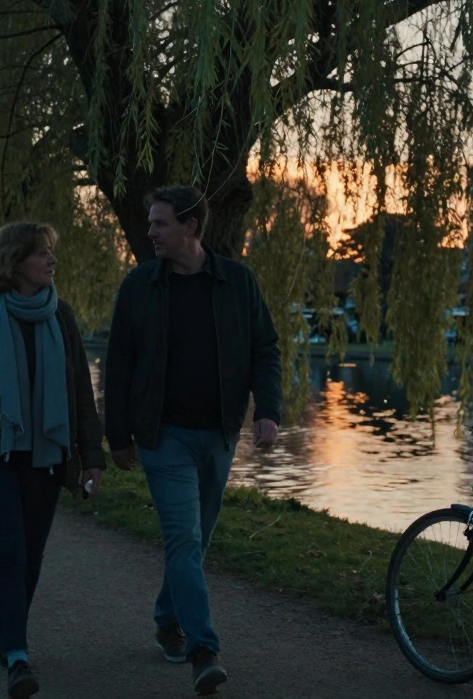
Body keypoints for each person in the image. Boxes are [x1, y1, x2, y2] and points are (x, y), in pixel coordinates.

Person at [103, 186, 282, 696]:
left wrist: (267, 411)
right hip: (163, 436)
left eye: (160, 224)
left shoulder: (236, 282)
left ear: (191, 227)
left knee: (195, 541)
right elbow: (119, 363)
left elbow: (265, 348)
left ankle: (166, 617)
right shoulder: (140, 285)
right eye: (151, 223)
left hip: (220, 433)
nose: (151, 232)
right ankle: (202, 648)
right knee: (183, 539)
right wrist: (118, 434)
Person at [0, 221, 105, 699]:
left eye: (51, 252)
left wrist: (93, 457)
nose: (52, 261)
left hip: (47, 457)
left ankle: (10, 638)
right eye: (42, 254)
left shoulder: (61, 316)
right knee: (8, 553)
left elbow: (79, 394)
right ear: (14, 263)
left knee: (30, 557)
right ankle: (17, 656)